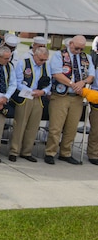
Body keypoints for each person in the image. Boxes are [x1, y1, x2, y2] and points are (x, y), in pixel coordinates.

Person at [44, 35, 95, 165]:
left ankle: (65, 153)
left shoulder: (86, 58)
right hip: (61, 96)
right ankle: (50, 152)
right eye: (77, 48)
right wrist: (73, 84)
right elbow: (57, 74)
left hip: (77, 98)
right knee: (56, 126)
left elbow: (91, 76)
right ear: (71, 43)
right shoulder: (59, 55)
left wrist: (82, 82)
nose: (78, 51)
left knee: (71, 127)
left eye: (81, 49)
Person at [8, 47, 51, 162]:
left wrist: (43, 91)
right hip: (25, 96)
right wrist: (31, 91)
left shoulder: (46, 66)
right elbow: (17, 81)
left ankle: (27, 152)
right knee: (20, 125)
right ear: (35, 55)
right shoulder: (23, 63)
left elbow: (49, 82)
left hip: (39, 98)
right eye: (41, 59)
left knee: (33, 126)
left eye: (45, 60)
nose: (42, 62)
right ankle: (14, 150)